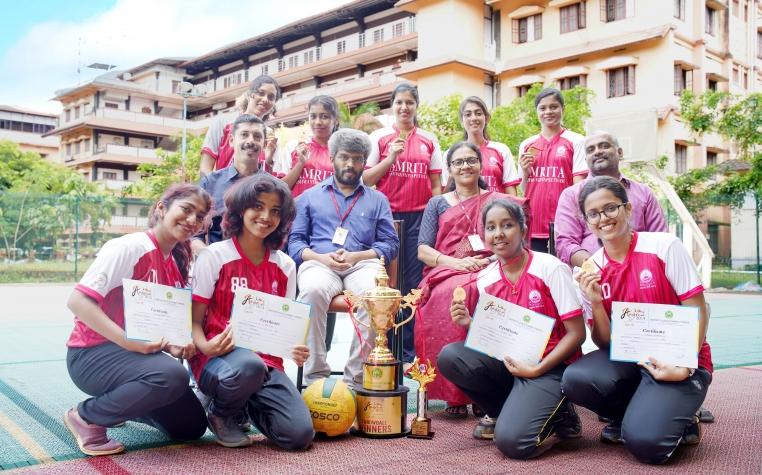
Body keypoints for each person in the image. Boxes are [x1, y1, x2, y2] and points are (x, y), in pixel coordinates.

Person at [561, 176, 713, 464]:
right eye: (593, 214)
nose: (603, 218)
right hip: (631, 359)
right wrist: (594, 300)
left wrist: (685, 364)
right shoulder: (590, 270)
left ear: (628, 209)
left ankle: (681, 415)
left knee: (647, 446)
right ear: (586, 221)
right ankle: (631, 414)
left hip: (679, 360)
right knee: (577, 379)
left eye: (610, 208)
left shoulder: (664, 246)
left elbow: (697, 308)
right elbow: (603, 342)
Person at [63, 184, 212, 456]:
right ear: (161, 208)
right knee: (172, 375)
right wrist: (129, 342)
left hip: (135, 358)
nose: (193, 220)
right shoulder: (129, 247)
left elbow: (159, 328)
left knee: (191, 426)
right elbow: (78, 301)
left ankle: (120, 407)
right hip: (91, 356)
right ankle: (87, 417)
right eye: (186, 209)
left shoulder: (175, 264)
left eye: (200, 216)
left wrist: (174, 347)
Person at [438, 199, 585, 458]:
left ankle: (561, 412)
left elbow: (577, 333)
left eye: (507, 225)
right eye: (491, 228)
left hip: (552, 368)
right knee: (451, 356)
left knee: (514, 444)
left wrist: (538, 368)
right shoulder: (486, 278)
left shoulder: (550, 268)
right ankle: (505, 409)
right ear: (484, 235)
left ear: (523, 230)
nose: (499, 234)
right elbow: (497, 338)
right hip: (512, 362)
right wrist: (470, 323)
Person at [189, 174, 314, 449]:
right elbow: (194, 321)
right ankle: (221, 413)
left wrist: (295, 347)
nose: (266, 216)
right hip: (216, 360)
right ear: (241, 209)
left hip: (266, 364)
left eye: (275, 210)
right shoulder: (215, 256)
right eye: (257, 206)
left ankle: (244, 404)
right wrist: (206, 348)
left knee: (299, 435)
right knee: (249, 365)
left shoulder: (285, 266)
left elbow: (282, 326)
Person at [415, 142, 532, 418]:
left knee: (485, 290)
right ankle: (454, 392)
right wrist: (456, 263)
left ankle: (487, 386)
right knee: (448, 295)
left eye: (471, 160)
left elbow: (519, 240)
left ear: (481, 165)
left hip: (492, 263)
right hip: (448, 268)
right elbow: (423, 250)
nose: (465, 166)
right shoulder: (437, 203)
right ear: (449, 170)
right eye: (458, 162)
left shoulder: (497, 201)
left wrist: (489, 260)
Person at [289, 128, 400, 388]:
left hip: (361, 264)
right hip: (319, 263)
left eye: (358, 158)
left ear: (364, 161)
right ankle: (316, 378)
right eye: (344, 157)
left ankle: (356, 380)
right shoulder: (308, 197)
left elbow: (390, 244)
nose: (351, 164)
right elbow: (294, 244)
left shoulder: (378, 199)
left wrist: (359, 255)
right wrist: (322, 258)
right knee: (313, 290)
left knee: (375, 296)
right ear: (332, 157)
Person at [364, 83, 443, 371]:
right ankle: (381, 347)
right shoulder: (380, 138)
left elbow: (436, 184)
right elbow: (367, 180)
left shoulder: (429, 140)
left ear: (416, 105)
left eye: (410, 102)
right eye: (399, 102)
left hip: (419, 219)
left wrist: (439, 217)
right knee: (383, 282)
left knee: (411, 284)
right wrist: (390, 157)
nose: (404, 107)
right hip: (385, 217)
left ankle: (408, 353)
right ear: (392, 106)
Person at [555, 130, 667, 267]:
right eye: (590, 150)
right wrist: (598, 267)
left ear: (619, 152)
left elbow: (661, 239)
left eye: (604, 146)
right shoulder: (571, 195)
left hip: (641, 273)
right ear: (586, 160)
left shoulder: (644, 193)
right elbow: (565, 245)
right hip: (593, 278)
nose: (597, 152)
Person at [517, 88, 588, 253]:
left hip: (563, 223)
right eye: (542, 108)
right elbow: (523, 189)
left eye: (553, 107)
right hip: (532, 224)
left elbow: (579, 187)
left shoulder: (576, 141)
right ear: (536, 112)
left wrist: (571, 221)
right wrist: (525, 171)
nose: (548, 112)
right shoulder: (527, 145)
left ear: (562, 109)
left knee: (564, 272)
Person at [192, 114, 270, 255]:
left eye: (257, 136)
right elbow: (195, 234)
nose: (250, 141)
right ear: (232, 140)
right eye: (244, 135)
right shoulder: (210, 183)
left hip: (259, 267)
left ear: (264, 144)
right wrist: (209, 257)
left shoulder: (273, 187)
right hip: (218, 265)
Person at [200, 75, 281, 176]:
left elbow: (272, 178)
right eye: (261, 93)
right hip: (224, 191)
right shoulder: (223, 123)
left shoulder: (273, 137)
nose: (265, 100)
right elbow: (205, 168)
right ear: (248, 95)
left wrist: (269, 161)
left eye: (271, 97)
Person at [441, 96, 518, 195]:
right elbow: (447, 195)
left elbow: (510, 190)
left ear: (486, 118)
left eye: (478, 113)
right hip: (463, 209)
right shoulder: (451, 154)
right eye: (468, 114)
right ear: (461, 121)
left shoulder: (501, 150)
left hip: (496, 208)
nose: (473, 118)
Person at [278, 95, 339, 198]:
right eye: (313, 116)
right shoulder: (293, 146)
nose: (318, 122)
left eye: (324, 116)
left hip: (329, 213)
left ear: (336, 120)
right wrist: (300, 163)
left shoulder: (341, 152)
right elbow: (281, 189)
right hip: (297, 212)